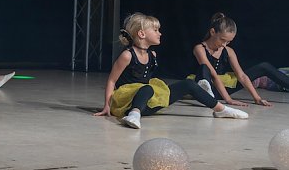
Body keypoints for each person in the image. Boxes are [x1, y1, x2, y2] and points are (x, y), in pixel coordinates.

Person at [93, 12, 248, 129]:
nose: (160, 33)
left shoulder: (152, 55)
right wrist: (107, 105)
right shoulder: (127, 55)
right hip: (126, 102)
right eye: (156, 30)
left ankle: (221, 109)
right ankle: (134, 114)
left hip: (148, 101)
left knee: (188, 84)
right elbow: (112, 80)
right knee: (147, 88)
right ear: (142, 34)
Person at [192, 13, 289, 107]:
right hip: (205, 89)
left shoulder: (229, 51)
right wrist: (229, 100)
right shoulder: (200, 49)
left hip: (224, 88)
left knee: (264, 66)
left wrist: (257, 98)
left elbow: (241, 76)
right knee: (204, 68)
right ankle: (210, 97)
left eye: (228, 42)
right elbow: (213, 76)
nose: (224, 44)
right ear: (212, 32)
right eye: (222, 40)